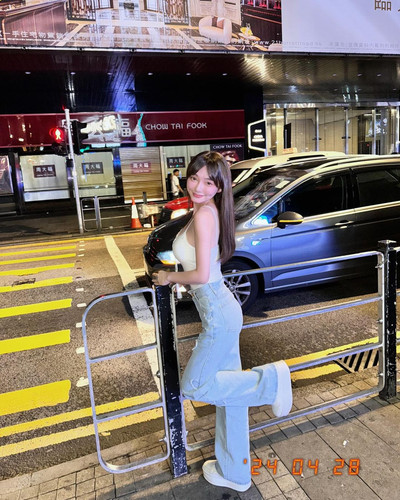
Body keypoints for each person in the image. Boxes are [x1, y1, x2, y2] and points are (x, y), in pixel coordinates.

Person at [152, 151, 292, 492]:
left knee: (194, 386)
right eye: (194, 178)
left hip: (217, 314)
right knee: (232, 400)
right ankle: (235, 471)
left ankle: (270, 381)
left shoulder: (204, 215)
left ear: (219, 187)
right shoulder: (204, 210)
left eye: (208, 182)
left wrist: (168, 277)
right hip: (220, 309)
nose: (198, 186)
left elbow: (201, 274)